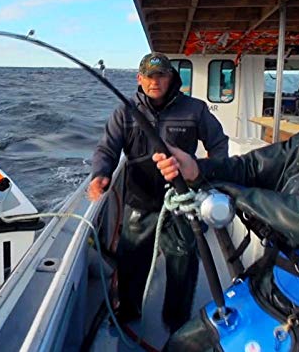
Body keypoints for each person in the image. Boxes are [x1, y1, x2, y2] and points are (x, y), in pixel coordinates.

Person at [153, 46, 299, 350]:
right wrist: (195, 169)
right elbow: (249, 166)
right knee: (179, 345)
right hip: (265, 282)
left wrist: (237, 196)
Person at [88, 52, 229, 332]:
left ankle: (176, 321)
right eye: (149, 76)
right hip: (139, 201)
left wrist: (203, 173)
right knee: (131, 260)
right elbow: (107, 148)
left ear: (171, 78)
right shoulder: (125, 111)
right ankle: (128, 310)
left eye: (161, 75)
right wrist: (100, 174)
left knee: (183, 262)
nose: (155, 81)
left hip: (181, 202)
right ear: (139, 79)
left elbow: (220, 146)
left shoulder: (195, 109)